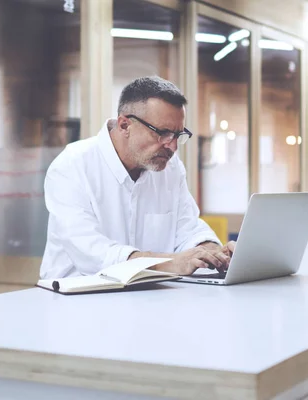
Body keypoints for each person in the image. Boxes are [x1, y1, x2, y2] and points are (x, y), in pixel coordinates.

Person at [39, 76, 235, 279]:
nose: (173, 146)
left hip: (148, 295)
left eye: (178, 135)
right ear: (124, 125)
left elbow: (188, 229)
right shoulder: (72, 166)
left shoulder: (170, 167)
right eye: (163, 133)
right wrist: (169, 263)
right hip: (75, 298)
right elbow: (92, 253)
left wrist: (213, 253)